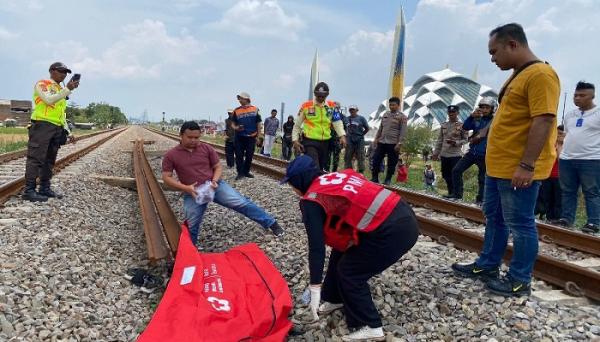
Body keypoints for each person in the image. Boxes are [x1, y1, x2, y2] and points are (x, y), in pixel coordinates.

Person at [452, 23, 560, 297]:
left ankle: (519, 279)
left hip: (517, 167)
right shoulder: (517, 76)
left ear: (512, 44)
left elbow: (544, 119)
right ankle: (488, 264)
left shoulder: (541, 75)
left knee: (521, 223)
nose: (492, 58)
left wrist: (526, 164)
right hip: (498, 166)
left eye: (494, 51)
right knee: (495, 218)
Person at [280, 155, 419, 341]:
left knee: (350, 272)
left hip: (394, 232)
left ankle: (371, 325)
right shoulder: (331, 178)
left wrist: (314, 287)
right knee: (342, 248)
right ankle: (334, 297)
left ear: (299, 181)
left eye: (291, 184)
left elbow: (316, 247)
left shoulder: (311, 200)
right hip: (402, 214)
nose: (292, 189)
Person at [162, 121, 284, 246]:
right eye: (190, 137)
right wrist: (185, 188)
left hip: (215, 186)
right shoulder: (171, 155)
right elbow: (166, 177)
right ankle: (189, 252)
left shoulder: (206, 148)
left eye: (197, 137)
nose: (194, 140)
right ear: (181, 135)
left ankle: (271, 223)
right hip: (192, 191)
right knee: (191, 223)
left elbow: (218, 167)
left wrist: (214, 181)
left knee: (241, 202)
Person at [23, 62, 79, 202]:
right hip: (42, 125)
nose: (64, 74)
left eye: (66, 72)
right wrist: (67, 89)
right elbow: (48, 100)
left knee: (49, 160)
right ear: (52, 71)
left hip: (56, 128)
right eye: (61, 71)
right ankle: (29, 190)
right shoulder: (43, 84)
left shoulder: (60, 89)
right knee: (36, 159)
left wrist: (68, 132)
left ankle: (44, 188)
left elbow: (61, 113)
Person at [557, 81, 600, 234]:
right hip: (567, 159)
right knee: (567, 191)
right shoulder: (570, 115)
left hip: (591, 160)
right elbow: (568, 134)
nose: (577, 98)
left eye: (582, 95)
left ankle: (593, 223)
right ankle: (566, 219)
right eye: (576, 95)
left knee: (591, 192)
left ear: (592, 96)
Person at [450, 97, 496, 203]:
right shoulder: (477, 119)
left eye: (487, 107)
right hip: (472, 152)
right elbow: (465, 127)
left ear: (492, 109)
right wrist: (471, 116)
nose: (484, 110)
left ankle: (481, 200)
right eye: (482, 107)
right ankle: (457, 195)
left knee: (482, 179)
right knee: (456, 170)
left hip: (484, 154)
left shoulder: (495, 122)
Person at [292, 82, 346, 170]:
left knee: (320, 168)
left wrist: (342, 136)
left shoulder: (332, 106)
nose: (320, 98)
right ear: (315, 94)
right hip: (310, 141)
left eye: (323, 96)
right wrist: (295, 140)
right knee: (315, 167)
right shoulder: (306, 106)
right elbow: (297, 125)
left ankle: (311, 182)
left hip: (325, 142)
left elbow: (337, 123)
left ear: (327, 95)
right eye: (318, 96)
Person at [432, 105, 467, 197]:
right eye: (449, 112)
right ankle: (451, 192)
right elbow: (439, 140)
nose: (451, 114)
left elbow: (466, 139)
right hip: (444, 154)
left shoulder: (462, 126)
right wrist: (436, 153)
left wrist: (456, 142)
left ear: (457, 113)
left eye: (453, 112)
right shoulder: (444, 125)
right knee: (446, 175)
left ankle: (458, 194)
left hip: (455, 155)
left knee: (455, 175)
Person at [371, 97, 407, 185]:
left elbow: (403, 131)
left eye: (393, 105)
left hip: (393, 143)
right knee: (376, 160)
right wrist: (376, 139)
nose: (391, 106)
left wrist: (400, 143)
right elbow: (380, 128)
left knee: (392, 163)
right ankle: (375, 178)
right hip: (382, 142)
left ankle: (388, 179)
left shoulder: (402, 117)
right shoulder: (385, 114)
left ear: (398, 105)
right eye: (390, 105)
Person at [535, 126, 565, 221]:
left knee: (558, 200)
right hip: (547, 175)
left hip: (559, 176)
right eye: (556, 133)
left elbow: (562, 160)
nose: (558, 136)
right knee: (547, 199)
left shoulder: (565, 146)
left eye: (560, 134)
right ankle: (548, 217)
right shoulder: (549, 144)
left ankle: (557, 218)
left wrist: (559, 146)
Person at [231, 92, 262, 180]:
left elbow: (258, 123)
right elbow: (232, 124)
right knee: (239, 155)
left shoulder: (255, 109)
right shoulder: (236, 110)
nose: (239, 100)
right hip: (239, 137)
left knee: (249, 156)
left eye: (241, 98)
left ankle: (246, 171)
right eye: (239, 98)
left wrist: (259, 136)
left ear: (247, 99)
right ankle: (240, 173)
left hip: (251, 137)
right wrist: (236, 128)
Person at [343, 105, 369, 173]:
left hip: (359, 139)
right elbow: (343, 128)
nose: (352, 111)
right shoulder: (346, 119)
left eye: (353, 110)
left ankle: (361, 172)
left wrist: (361, 134)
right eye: (350, 110)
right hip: (349, 139)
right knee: (348, 155)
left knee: (360, 155)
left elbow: (367, 128)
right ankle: (348, 171)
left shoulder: (361, 118)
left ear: (357, 110)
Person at [325, 102, 345, 172]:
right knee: (327, 157)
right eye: (334, 107)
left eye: (337, 107)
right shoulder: (328, 115)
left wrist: (342, 138)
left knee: (336, 158)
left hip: (337, 140)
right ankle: (326, 171)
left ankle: (334, 171)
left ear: (339, 108)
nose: (335, 108)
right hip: (328, 139)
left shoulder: (342, 117)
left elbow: (345, 128)